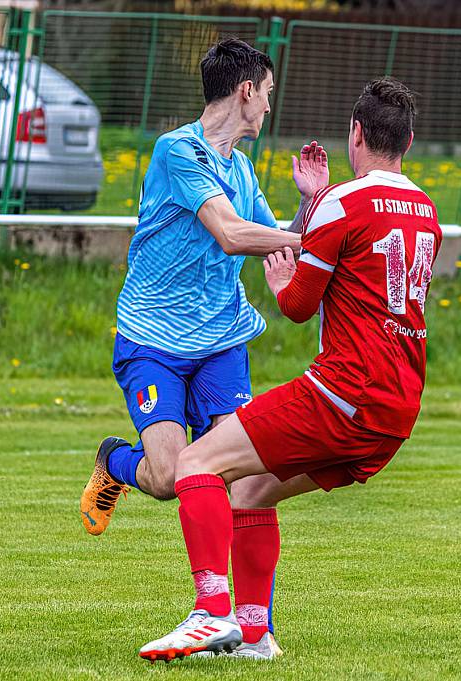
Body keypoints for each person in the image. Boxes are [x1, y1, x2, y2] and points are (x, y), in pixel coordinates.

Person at [138, 76, 442, 662]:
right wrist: (310, 204)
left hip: (344, 391)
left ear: (356, 133)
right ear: (409, 140)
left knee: (195, 464)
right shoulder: (426, 210)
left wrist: (281, 278)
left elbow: (299, 306)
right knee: (251, 492)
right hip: (399, 407)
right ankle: (254, 635)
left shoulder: (343, 202)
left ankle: (210, 614)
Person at [79, 38, 328, 658]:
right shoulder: (178, 150)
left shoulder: (242, 171)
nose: (270, 108)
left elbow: (280, 240)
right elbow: (230, 233)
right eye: (268, 94)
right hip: (154, 340)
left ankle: (251, 627)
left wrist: (308, 202)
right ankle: (116, 462)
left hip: (222, 344)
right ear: (246, 91)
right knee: (167, 479)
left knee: (244, 478)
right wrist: (299, 238)